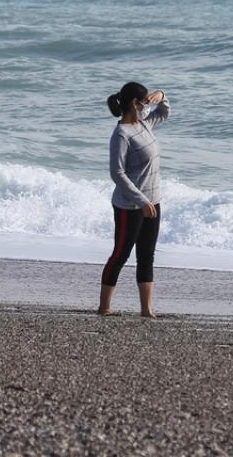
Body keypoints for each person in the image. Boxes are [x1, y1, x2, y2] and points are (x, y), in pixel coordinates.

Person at [98, 81, 170, 317]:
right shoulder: (121, 135)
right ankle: (104, 308)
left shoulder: (144, 123)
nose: (147, 106)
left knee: (146, 256)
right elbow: (116, 173)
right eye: (144, 102)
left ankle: (146, 310)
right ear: (133, 104)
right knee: (121, 254)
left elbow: (164, 113)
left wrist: (161, 95)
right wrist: (140, 201)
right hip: (129, 206)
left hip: (153, 201)